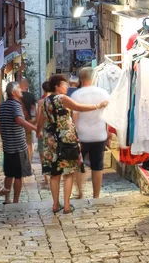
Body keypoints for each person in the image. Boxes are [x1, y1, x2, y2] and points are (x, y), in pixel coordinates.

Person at [37, 74, 109, 215]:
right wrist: (98, 105)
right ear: (57, 86)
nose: (67, 87)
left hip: (51, 139)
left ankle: (56, 204)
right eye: (64, 84)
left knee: (54, 174)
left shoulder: (45, 102)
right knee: (68, 172)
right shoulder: (63, 99)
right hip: (65, 139)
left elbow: (40, 121)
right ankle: (67, 206)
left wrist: (39, 132)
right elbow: (79, 108)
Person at [72, 67, 110, 199]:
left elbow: (75, 118)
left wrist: (75, 135)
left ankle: (80, 192)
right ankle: (96, 195)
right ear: (94, 77)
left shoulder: (76, 95)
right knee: (97, 165)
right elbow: (108, 115)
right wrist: (108, 133)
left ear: (81, 79)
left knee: (78, 164)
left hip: (82, 135)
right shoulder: (103, 93)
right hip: (99, 133)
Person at [0, 82, 37, 204]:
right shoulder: (16, 105)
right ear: (14, 92)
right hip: (18, 146)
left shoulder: (2, 106)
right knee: (18, 176)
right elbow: (19, 120)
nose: (21, 90)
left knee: (9, 175)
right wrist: (34, 128)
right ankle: (15, 200)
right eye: (19, 89)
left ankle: (7, 199)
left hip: (7, 146)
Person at [35, 81, 51, 185]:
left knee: (42, 154)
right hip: (53, 130)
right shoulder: (57, 99)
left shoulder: (41, 102)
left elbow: (38, 118)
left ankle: (46, 177)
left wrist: (38, 130)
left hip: (43, 130)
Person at [19, 78, 37, 162]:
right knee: (29, 142)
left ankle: (21, 161)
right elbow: (34, 109)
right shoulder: (30, 96)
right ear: (27, 86)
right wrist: (34, 121)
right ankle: (29, 161)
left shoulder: (17, 96)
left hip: (17, 121)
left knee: (19, 141)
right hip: (27, 121)